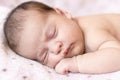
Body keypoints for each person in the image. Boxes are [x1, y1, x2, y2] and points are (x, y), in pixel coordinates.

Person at [4, 1, 120, 74]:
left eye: (52, 33)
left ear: (63, 13)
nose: (56, 48)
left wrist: (77, 63)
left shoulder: (92, 33)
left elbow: (117, 56)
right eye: (45, 55)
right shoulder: (74, 31)